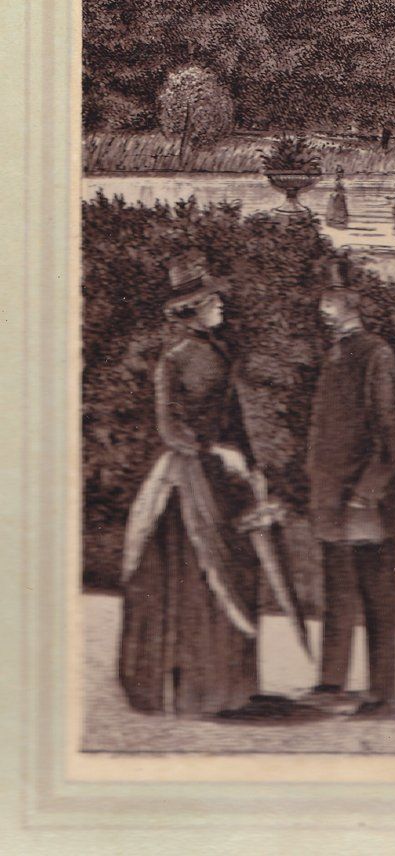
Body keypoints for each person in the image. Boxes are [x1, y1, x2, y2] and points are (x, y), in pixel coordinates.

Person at [118, 254, 262, 716]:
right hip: (188, 478)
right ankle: (189, 692)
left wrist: (250, 463)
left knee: (235, 567)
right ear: (192, 309)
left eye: (217, 298)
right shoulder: (174, 360)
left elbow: (234, 416)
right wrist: (214, 450)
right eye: (212, 300)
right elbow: (170, 429)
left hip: (223, 476)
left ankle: (226, 688)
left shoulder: (219, 351)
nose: (221, 305)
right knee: (191, 575)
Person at [306, 277, 395, 718]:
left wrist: (369, 489)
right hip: (332, 493)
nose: (321, 313)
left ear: (350, 309)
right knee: (337, 590)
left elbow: (391, 433)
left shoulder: (376, 353)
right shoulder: (336, 351)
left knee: (376, 596)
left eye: (328, 306)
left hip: (364, 497)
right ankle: (332, 681)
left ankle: (382, 692)